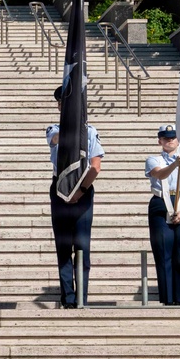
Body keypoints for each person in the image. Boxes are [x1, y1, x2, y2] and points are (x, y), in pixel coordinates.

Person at [47, 86, 104, 308]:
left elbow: (96, 167)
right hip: (60, 187)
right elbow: (55, 140)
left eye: (67, 103)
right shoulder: (54, 129)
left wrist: (80, 190)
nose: (62, 106)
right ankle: (68, 298)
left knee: (82, 246)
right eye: (61, 103)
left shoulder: (89, 131)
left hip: (83, 189)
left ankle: (82, 297)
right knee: (63, 247)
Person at [145, 124, 180, 306]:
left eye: (173, 137)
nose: (170, 140)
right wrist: (175, 164)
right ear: (160, 140)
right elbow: (159, 175)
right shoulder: (154, 159)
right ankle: (167, 298)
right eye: (165, 138)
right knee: (163, 251)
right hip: (161, 202)